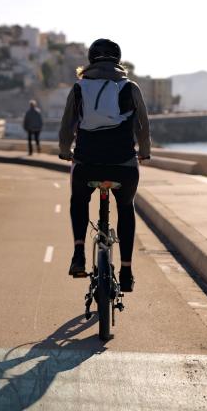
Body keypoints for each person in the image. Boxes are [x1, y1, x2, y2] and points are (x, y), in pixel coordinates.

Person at [58, 38, 151, 292]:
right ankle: (127, 271)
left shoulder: (79, 88)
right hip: (123, 165)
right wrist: (144, 152)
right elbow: (142, 126)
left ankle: (78, 253)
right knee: (126, 207)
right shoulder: (130, 87)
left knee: (78, 200)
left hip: (87, 163)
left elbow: (67, 125)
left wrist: (65, 151)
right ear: (118, 61)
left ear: (90, 61)